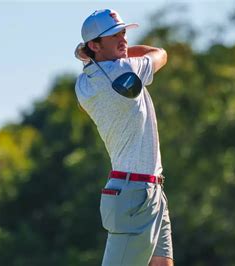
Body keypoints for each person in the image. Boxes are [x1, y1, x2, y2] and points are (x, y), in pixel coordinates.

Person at [74, 9, 173, 266]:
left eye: (123, 33)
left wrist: (86, 56)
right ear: (95, 44)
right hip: (134, 193)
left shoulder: (83, 86)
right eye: (113, 36)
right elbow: (160, 54)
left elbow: (96, 64)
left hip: (149, 189)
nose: (123, 40)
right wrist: (88, 55)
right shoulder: (125, 69)